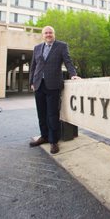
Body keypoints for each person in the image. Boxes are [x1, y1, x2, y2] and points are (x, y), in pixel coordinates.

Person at [29, 25, 80, 154]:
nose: (48, 34)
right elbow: (33, 66)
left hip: (53, 85)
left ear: (54, 34)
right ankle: (44, 136)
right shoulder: (37, 48)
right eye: (46, 33)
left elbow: (68, 61)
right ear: (43, 35)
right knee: (41, 113)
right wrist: (31, 82)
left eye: (50, 32)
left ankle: (53, 141)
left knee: (52, 114)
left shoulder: (61, 46)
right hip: (38, 84)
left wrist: (73, 74)